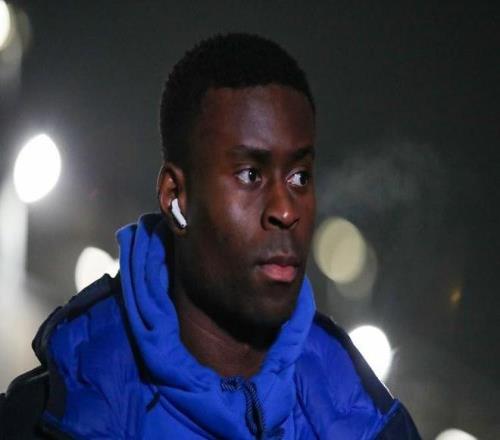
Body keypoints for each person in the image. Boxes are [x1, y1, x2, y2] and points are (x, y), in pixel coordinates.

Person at [0, 33, 420, 439]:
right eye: (250, 174)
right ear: (176, 198)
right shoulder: (37, 422)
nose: (286, 210)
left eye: (299, 176)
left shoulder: (373, 427)